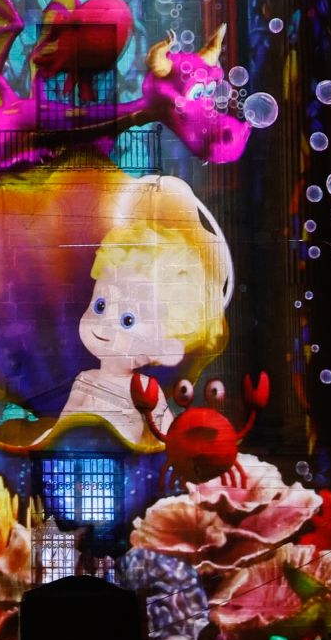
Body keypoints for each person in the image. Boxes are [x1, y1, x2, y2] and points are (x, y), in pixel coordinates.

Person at [55, 176, 232, 445]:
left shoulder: (148, 392)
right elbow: (59, 431)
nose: (105, 324)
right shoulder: (85, 381)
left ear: (166, 347)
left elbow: (168, 440)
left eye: (128, 320)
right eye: (100, 305)